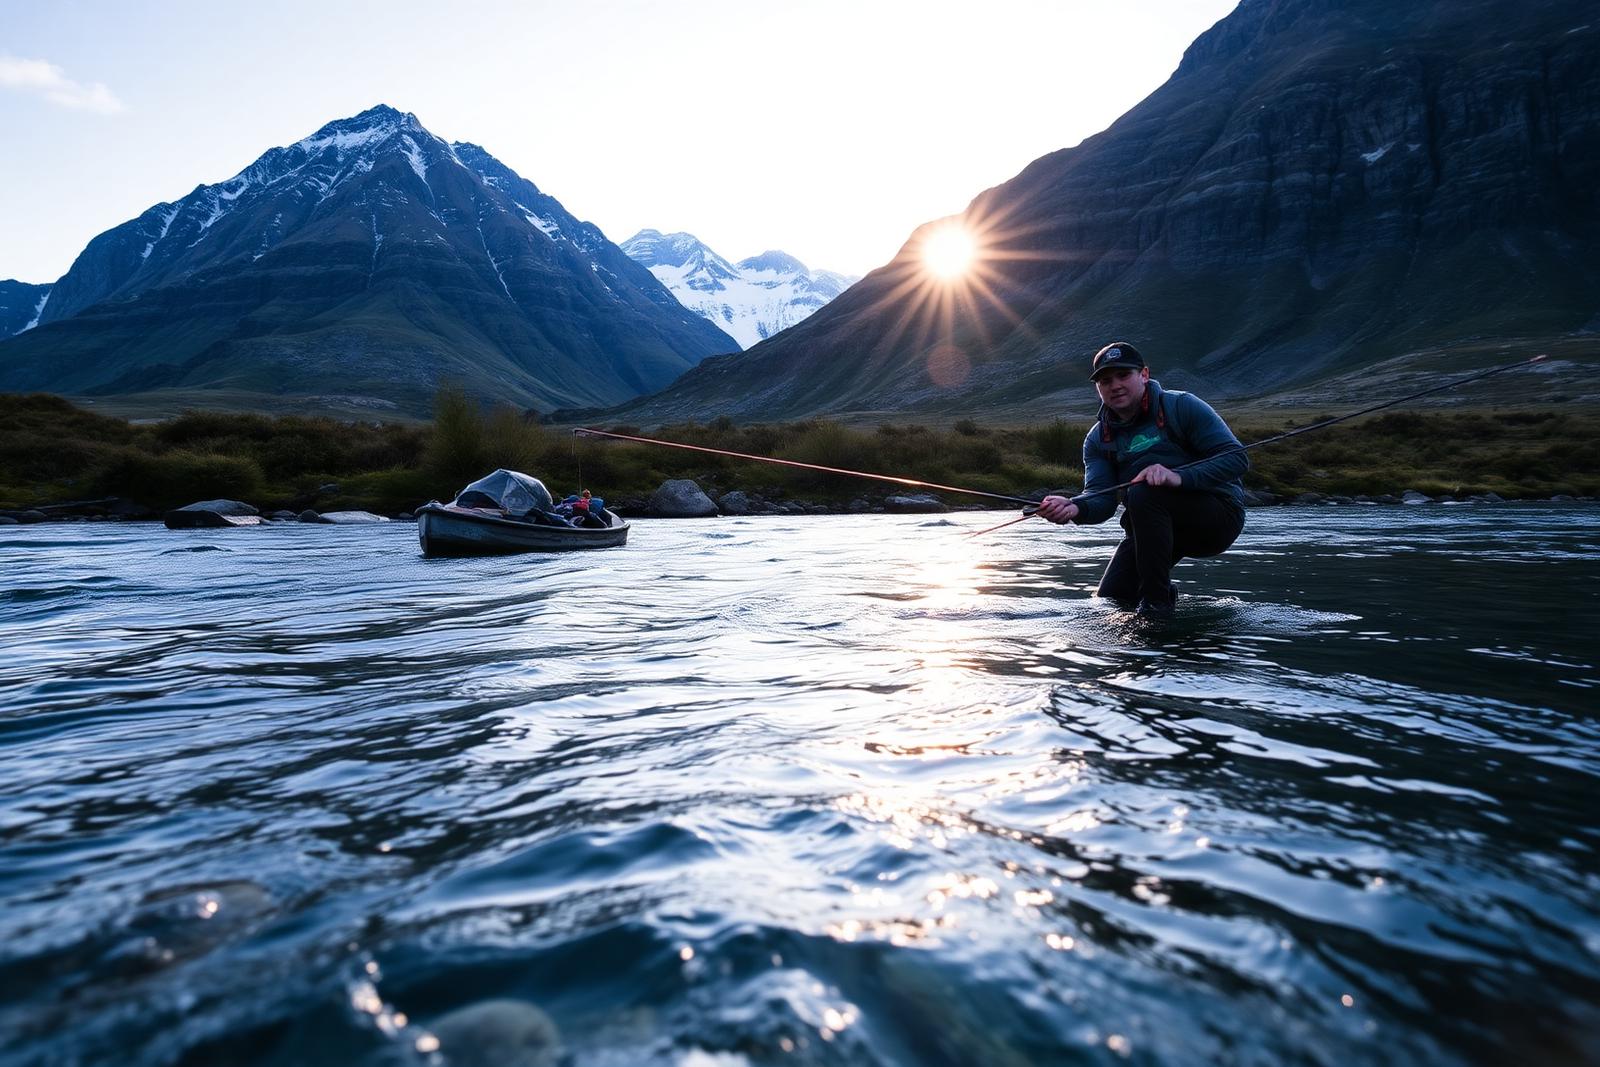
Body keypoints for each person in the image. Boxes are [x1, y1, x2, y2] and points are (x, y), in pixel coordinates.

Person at [1035, 342, 1249, 618]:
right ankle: (1159, 601)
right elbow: (1101, 497)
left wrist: (1177, 477)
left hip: (1218, 519)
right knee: (1113, 598)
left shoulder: (1182, 406)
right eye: (1105, 381)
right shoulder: (1098, 439)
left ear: (1144, 374)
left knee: (1144, 492)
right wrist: (1075, 507)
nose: (1115, 385)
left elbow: (1236, 459)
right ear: (1098, 388)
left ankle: (1155, 607)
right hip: (1152, 529)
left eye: (1123, 375)